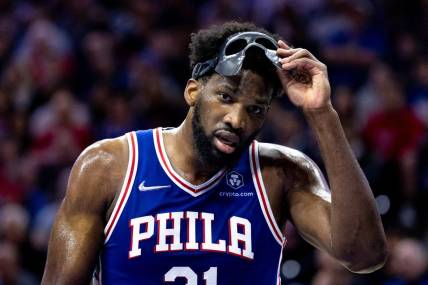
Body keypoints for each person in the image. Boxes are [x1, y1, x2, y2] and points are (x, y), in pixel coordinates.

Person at [41, 21, 387, 285]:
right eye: (226, 97)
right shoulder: (108, 167)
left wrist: (321, 114)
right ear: (193, 91)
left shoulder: (282, 173)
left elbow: (365, 254)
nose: (237, 119)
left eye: (255, 109)